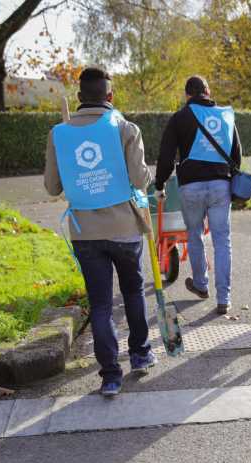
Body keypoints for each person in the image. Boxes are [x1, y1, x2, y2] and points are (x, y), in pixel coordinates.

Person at [44, 67, 156, 396]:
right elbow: (140, 181)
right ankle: (140, 354)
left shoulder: (59, 134)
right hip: (125, 227)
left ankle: (110, 376)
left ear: (79, 98)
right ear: (110, 96)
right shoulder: (125, 128)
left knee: (101, 304)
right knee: (134, 293)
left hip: (85, 231)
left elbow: (52, 187)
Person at [155, 76, 242, 314]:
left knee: (194, 235)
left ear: (187, 95)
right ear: (208, 91)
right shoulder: (225, 115)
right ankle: (224, 298)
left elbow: (166, 156)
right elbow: (237, 153)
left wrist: (160, 184)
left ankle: (201, 285)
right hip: (220, 185)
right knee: (222, 240)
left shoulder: (180, 117)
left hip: (191, 187)